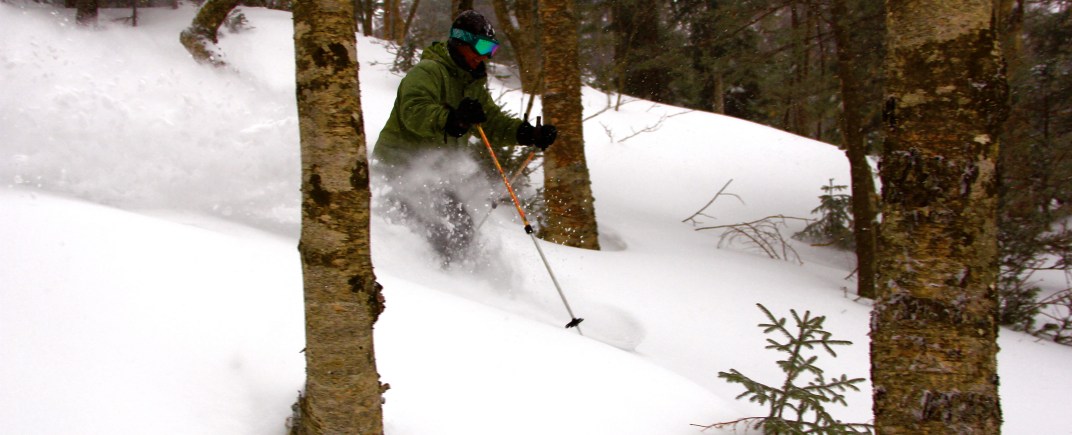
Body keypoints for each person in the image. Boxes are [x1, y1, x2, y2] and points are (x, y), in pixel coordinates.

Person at [373, 10, 557, 265]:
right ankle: (422, 281)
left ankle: (465, 286)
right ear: (461, 41)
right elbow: (413, 112)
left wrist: (527, 133)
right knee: (432, 233)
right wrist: (453, 120)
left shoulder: (471, 83)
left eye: (491, 50)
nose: (485, 56)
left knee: (460, 227)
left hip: (432, 177)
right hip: (398, 172)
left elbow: (491, 122)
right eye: (482, 47)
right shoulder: (428, 72)